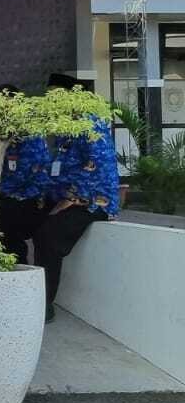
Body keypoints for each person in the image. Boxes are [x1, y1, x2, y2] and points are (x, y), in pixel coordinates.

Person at [34, 73, 119, 322]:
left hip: (91, 200)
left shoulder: (90, 122)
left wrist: (73, 198)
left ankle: (45, 305)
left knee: (48, 236)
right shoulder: (66, 128)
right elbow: (59, 167)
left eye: (56, 96)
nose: (52, 101)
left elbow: (98, 165)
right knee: (24, 222)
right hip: (63, 197)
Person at [0, 85, 53, 264]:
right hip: (6, 196)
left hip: (30, 198)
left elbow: (28, 171)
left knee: (10, 234)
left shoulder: (30, 133)